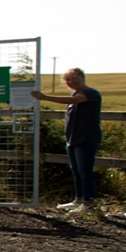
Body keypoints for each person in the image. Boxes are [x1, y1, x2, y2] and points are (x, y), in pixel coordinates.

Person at [31, 68, 102, 214]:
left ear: (82, 77)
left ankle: (88, 203)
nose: (71, 82)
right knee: (76, 170)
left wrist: (44, 97)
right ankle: (79, 199)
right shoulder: (75, 93)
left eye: (74, 78)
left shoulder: (90, 93)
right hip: (73, 138)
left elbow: (74, 101)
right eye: (68, 80)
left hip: (86, 137)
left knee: (85, 170)